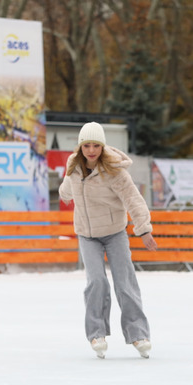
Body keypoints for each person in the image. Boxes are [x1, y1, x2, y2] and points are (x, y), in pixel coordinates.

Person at [58, 122, 158, 359]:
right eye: (86, 145)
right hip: (87, 235)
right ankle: (96, 333)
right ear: (80, 147)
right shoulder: (73, 168)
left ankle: (138, 334)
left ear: (102, 147)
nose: (91, 150)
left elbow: (134, 199)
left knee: (124, 282)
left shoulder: (115, 171)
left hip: (114, 233)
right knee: (96, 282)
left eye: (96, 145)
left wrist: (143, 230)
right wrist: (64, 193)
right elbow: (66, 189)